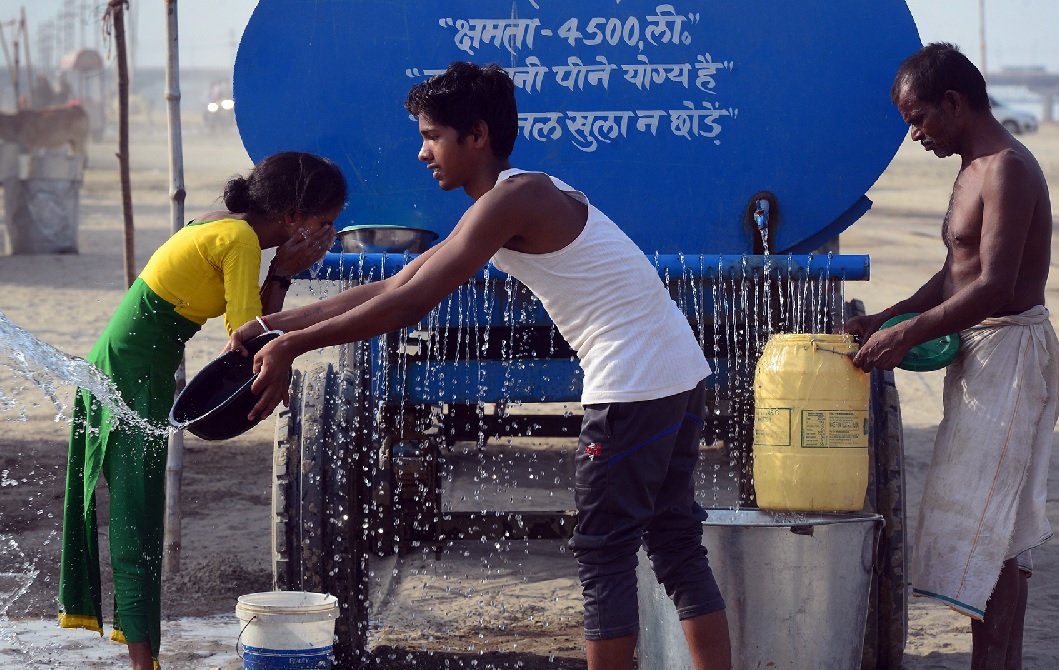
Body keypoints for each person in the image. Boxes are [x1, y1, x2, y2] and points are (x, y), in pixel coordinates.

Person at [227, 61, 732, 669]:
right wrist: (271, 327)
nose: (422, 154)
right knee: (675, 543)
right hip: (677, 371)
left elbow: (412, 304)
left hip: (633, 381)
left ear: (478, 136)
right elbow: (400, 281)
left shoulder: (510, 202)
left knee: (605, 552)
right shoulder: (516, 194)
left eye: (432, 137)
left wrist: (291, 348)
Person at [58, 151, 347, 670]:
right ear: (291, 215)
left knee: (136, 513)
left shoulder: (224, 224)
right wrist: (282, 271)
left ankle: (142, 658)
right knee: (138, 516)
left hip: (126, 364)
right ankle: (143, 664)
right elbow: (246, 340)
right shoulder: (239, 241)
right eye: (323, 223)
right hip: (131, 375)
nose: (327, 236)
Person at [845, 42, 1057, 670]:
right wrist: (886, 317)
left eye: (919, 119)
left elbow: (994, 285)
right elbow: (953, 275)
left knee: (991, 531)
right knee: (989, 528)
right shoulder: (971, 169)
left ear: (954, 102)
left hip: (1012, 356)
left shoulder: (1007, 168)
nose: (915, 135)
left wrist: (910, 335)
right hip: (982, 353)